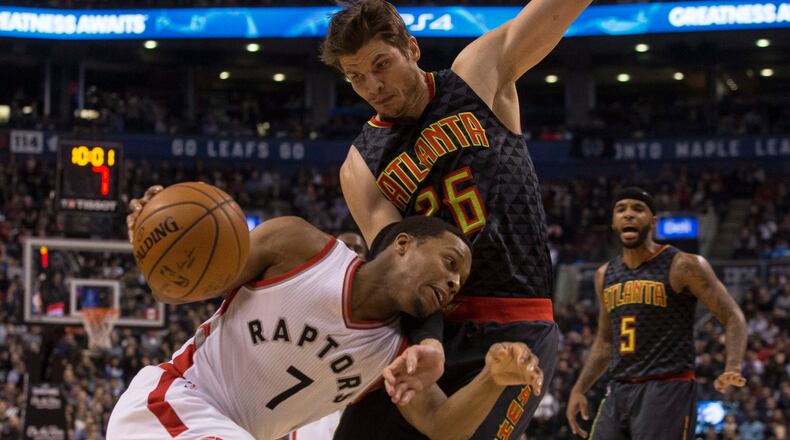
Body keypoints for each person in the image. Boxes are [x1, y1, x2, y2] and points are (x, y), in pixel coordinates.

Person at [321, 0, 591, 438]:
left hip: (515, 316)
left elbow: (554, 11)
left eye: (381, 64)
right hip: (432, 328)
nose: (373, 85)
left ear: (411, 48)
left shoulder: (476, 76)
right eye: (356, 77)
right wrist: (426, 341)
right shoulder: (360, 165)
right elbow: (395, 275)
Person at [109, 186, 544, 440]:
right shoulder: (299, 246)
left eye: (459, 282)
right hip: (174, 403)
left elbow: (439, 425)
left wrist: (492, 379)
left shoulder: (396, 352)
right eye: (450, 262)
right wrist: (162, 249)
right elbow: (180, 290)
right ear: (403, 242)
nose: (453, 283)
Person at [565, 187, 748, 439]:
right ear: (613, 222)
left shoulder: (683, 265)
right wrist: (579, 388)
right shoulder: (604, 274)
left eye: (637, 209)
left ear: (653, 223)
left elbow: (733, 316)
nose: (628, 214)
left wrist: (733, 366)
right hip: (619, 388)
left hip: (667, 386)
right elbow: (606, 341)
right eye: (621, 209)